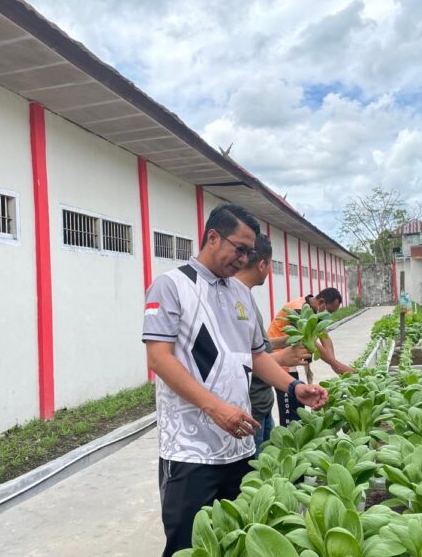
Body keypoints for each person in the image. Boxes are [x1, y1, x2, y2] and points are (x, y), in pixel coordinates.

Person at [142, 203, 329, 557]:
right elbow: (159, 358)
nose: (244, 259)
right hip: (190, 452)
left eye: (249, 252)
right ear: (213, 237)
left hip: (239, 447)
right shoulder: (172, 285)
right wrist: (215, 409)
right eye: (239, 248)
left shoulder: (242, 294)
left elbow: (257, 356)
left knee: (237, 543)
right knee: (188, 546)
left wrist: (292, 387)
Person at [234, 234, 312, 454]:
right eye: (270, 265)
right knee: (256, 477)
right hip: (251, 410)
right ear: (261, 265)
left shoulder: (246, 298)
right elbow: (235, 358)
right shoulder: (235, 302)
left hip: (263, 404)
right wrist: (281, 358)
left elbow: (258, 346)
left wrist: (284, 342)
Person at [267, 287, 355, 426]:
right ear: (321, 302)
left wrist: (334, 365)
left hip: (291, 359)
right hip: (278, 357)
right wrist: (337, 365)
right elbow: (312, 343)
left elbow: (325, 338)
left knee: (298, 403)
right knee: (290, 408)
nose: (329, 315)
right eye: (330, 311)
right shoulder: (299, 309)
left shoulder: (315, 309)